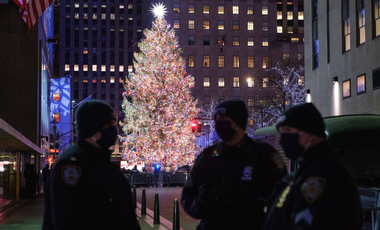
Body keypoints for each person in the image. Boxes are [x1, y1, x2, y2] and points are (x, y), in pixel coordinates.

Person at [181, 100, 287, 230]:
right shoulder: (208, 157)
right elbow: (188, 197)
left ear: (237, 123)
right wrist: (202, 203)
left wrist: (247, 206)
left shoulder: (262, 155)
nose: (219, 124)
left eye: (224, 119)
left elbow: (281, 198)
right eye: (217, 120)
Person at [263, 103, 363, 230]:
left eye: (287, 131)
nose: (283, 139)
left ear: (309, 132)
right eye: (281, 132)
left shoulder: (325, 173)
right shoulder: (305, 170)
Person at [43, 100, 140, 230]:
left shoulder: (106, 165)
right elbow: (68, 220)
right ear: (93, 130)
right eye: (109, 126)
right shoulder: (72, 166)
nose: (113, 131)